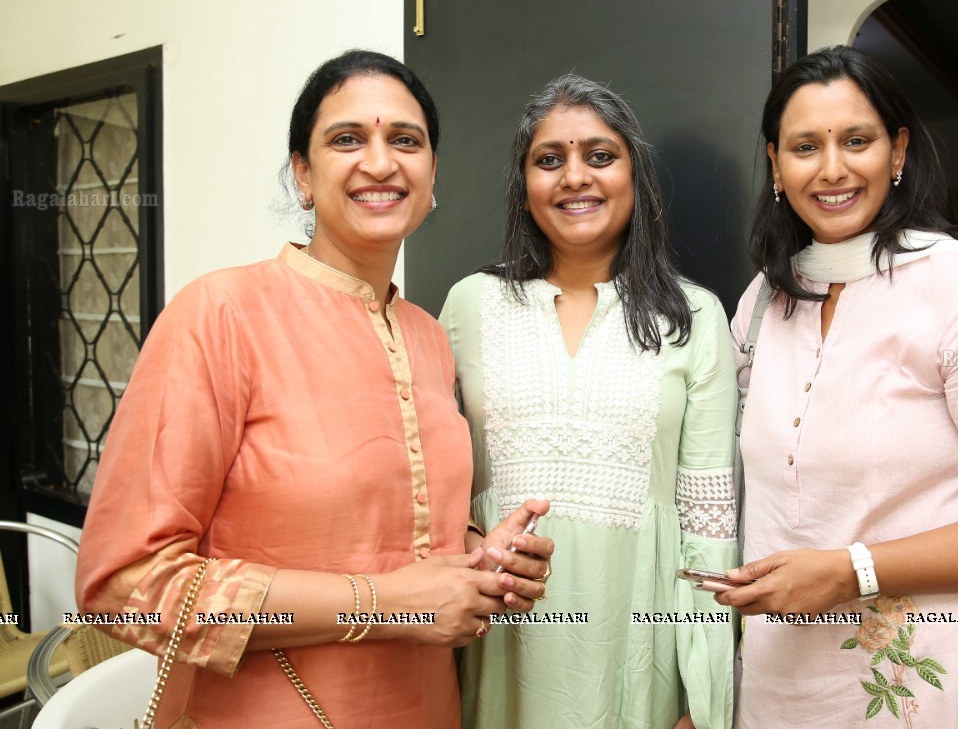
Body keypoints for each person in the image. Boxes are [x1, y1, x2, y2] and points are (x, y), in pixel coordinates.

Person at [75, 50, 552, 728]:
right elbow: (126, 585)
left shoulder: (426, 336)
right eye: (348, 139)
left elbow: (402, 531)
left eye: (406, 141)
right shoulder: (220, 315)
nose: (381, 163)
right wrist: (388, 603)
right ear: (302, 174)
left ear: (432, 175)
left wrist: (479, 559)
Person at [717, 46, 958, 728]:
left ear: (897, 152)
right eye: (806, 146)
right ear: (776, 164)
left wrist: (852, 570)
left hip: (947, 684)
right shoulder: (762, 304)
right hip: (787, 686)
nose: (832, 168)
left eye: (856, 140)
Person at [439, 74, 737, 729]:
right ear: (526, 185)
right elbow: (435, 492)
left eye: (600, 156)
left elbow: (709, 528)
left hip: (640, 650)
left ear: (635, 175)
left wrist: (703, 694)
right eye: (550, 160)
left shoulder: (695, 315)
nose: (575, 177)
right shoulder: (468, 306)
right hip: (501, 648)